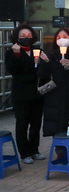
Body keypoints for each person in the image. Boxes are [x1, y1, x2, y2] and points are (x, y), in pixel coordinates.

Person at [38, 28, 69, 161]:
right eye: (59, 37)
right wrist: (45, 63)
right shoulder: (50, 54)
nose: (62, 39)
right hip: (55, 97)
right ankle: (60, 154)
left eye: (65, 36)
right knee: (58, 126)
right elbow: (43, 76)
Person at [5, 24, 45, 164]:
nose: (26, 38)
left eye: (28, 36)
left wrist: (43, 62)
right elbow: (12, 70)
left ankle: (34, 149)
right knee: (22, 123)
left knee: (36, 124)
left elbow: (43, 71)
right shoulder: (12, 52)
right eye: (22, 36)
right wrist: (17, 55)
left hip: (36, 93)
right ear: (17, 37)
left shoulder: (37, 51)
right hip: (21, 94)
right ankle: (24, 152)